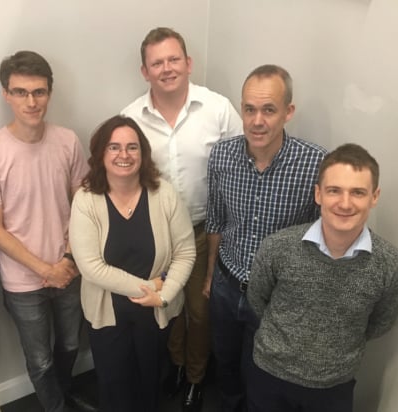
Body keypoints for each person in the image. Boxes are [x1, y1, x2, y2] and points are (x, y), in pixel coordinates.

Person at [121, 27, 242, 411]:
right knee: (165, 305)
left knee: (200, 311)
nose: (167, 68)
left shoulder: (218, 109)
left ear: (189, 63)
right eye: (157, 62)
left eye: (174, 59)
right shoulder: (130, 119)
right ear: (145, 71)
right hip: (157, 231)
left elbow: (239, 167)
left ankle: (195, 376)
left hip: (208, 229)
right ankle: (175, 364)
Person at [246, 143, 398, 412]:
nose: (345, 203)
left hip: (334, 387)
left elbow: (380, 323)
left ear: (374, 196)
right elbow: (258, 299)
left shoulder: (390, 264)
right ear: (318, 194)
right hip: (270, 376)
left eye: (357, 192)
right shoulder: (277, 247)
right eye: (334, 191)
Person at [205, 64, 327, 411]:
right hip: (227, 286)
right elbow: (216, 219)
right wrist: (211, 275)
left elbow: (323, 236)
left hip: (277, 296)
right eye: (249, 109)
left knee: (260, 373)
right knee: (226, 364)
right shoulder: (222, 156)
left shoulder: (315, 163)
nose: (257, 121)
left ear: (288, 112)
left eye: (269, 110)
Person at [0, 51, 88, 412]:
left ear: (50, 93)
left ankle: (64, 394)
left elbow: (84, 207)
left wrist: (67, 259)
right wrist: (44, 269)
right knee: (39, 361)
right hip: (23, 281)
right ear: (6, 94)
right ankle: (57, 407)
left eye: (38, 91)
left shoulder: (68, 141)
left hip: (70, 269)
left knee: (70, 346)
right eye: (21, 92)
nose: (31, 101)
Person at [69, 115, 196, 412]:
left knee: (150, 381)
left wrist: (163, 295)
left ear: (143, 153)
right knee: (115, 386)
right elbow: (90, 267)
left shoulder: (163, 193)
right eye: (114, 147)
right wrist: (152, 286)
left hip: (154, 311)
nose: (123, 155)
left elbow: (186, 251)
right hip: (107, 312)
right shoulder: (86, 199)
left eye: (132, 147)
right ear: (101, 153)